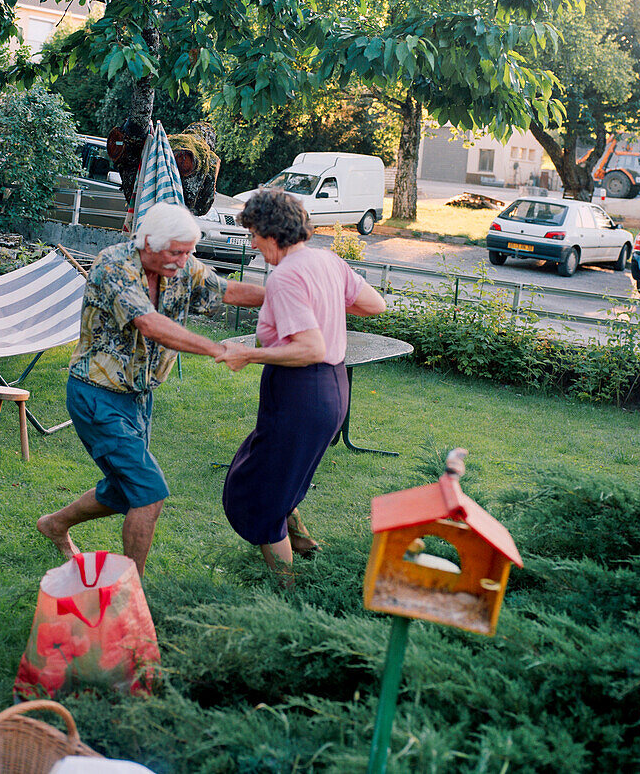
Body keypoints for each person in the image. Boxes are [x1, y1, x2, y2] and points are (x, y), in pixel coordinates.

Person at [37, 202, 265, 576]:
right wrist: (218, 348)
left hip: (140, 397)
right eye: (177, 252)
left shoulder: (180, 264)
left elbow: (225, 290)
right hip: (97, 395)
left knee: (123, 489)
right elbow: (150, 324)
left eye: (189, 251)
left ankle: (54, 525)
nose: (186, 260)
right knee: (149, 491)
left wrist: (284, 295)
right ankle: (130, 593)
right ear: (148, 243)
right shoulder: (114, 265)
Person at [218, 189, 386, 580]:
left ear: (271, 232)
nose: (253, 243)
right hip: (333, 389)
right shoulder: (327, 261)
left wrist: (249, 354)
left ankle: (286, 594)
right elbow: (375, 303)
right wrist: (324, 301)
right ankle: (304, 543)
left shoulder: (287, 276)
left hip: (301, 391)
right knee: (269, 471)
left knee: (260, 494)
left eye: (254, 235)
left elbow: (310, 348)